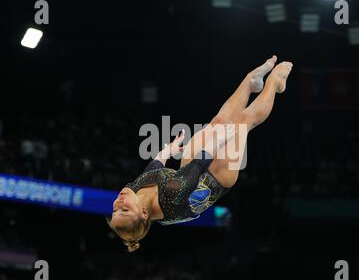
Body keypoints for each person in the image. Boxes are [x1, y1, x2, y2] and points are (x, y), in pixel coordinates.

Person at [108, 55, 293, 252]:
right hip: (216, 180)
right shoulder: (171, 195)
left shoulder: (131, 191)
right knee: (242, 123)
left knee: (219, 122)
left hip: (189, 171)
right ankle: (275, 82)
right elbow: (201, 162)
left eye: (115, 209)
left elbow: (151, 171)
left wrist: (167, 151)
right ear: (144, 214)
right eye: (125, 209)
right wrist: (224, 138)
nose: (119, 202)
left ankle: (250, 82)